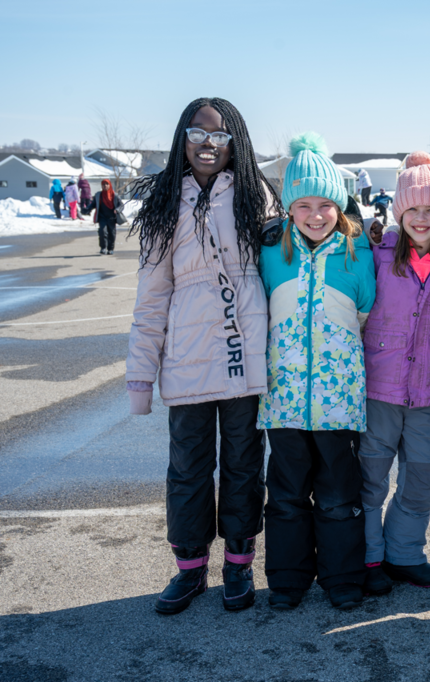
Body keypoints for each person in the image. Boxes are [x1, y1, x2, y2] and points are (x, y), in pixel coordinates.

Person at [126, 97, 282, 615]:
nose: (209, 145)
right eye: (198, 134)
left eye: (220, 136)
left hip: (246, 356)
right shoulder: (166, 202)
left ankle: (239, 564)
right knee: (189, 467)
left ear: (235, 142)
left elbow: (288, 261)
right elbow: (151, 298)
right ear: (183, 139)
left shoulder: (259, 197)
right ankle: (189, 567)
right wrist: (140, 375)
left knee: (243, 465)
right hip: (188, 358)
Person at [257, 132, 376, 611]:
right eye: (302, 204)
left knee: (337, 495)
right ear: (288, 208)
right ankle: (287, 578)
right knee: (285, 496)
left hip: (338, 401)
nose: (315, 214)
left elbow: (365, 313)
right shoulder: (269, 253)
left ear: (340, 206)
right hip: (283, 398)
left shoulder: (357, 256)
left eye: (325, 204)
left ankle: (342, 576)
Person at [359, 152, 430, 596]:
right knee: (369, 480)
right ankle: (369, 557)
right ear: (400, 211)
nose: (422, 219)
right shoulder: (376, 254)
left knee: (425, 477)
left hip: (429, 393)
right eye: (413, 209)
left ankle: (404, 554)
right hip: (378, 390)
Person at [91, 179, 123, 254]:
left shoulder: (114, 195)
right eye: (103, 184)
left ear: (109, 185)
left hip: (112, 218)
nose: (105, 185)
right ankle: (103, 248)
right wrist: (87, 209)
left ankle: (110, 249)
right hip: (102, 217)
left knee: (112, 233)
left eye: (106, 184)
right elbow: (93, 204)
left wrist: (117, 210)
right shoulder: (98, 195)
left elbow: (121, 205)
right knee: (102, 232)